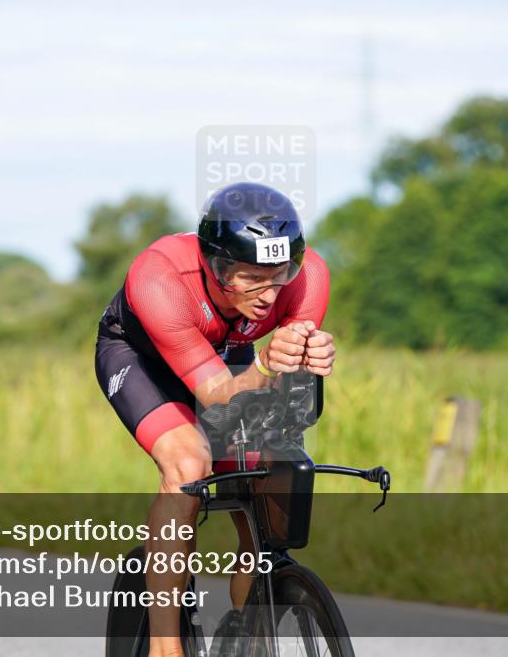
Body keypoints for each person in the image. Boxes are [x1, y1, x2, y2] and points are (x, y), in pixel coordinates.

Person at [94, 182, 335, 657]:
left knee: (265, 473)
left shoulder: (308, 278)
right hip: (144, 360)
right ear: (215, 266)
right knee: (188, 467)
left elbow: (289, 387)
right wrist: (266, 365)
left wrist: (310, 354)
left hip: (229, 356)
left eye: (279, 273)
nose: (269, 294)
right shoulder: (159, 276)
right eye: (251, 278)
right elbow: (218, 397)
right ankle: (167, 647)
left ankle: (250, 628)